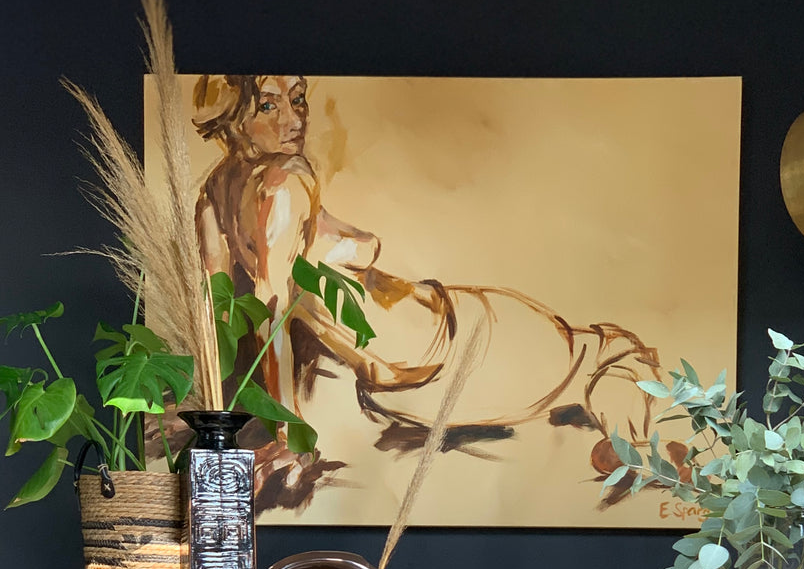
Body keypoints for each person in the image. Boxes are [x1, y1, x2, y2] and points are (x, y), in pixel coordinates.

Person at [192, 73, 666, 513]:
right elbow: (248, 312)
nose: (293, 120)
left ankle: (643, 444)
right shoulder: (257, 186)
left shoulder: (250, 185)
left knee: (588, 351)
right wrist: (284, 434)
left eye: (297, 100)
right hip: (423, 363)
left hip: (441, 341)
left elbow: (249, 311)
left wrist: (287, 436)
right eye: (270, 106)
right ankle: (636, 435)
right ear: (233, 121)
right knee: (588, 349)